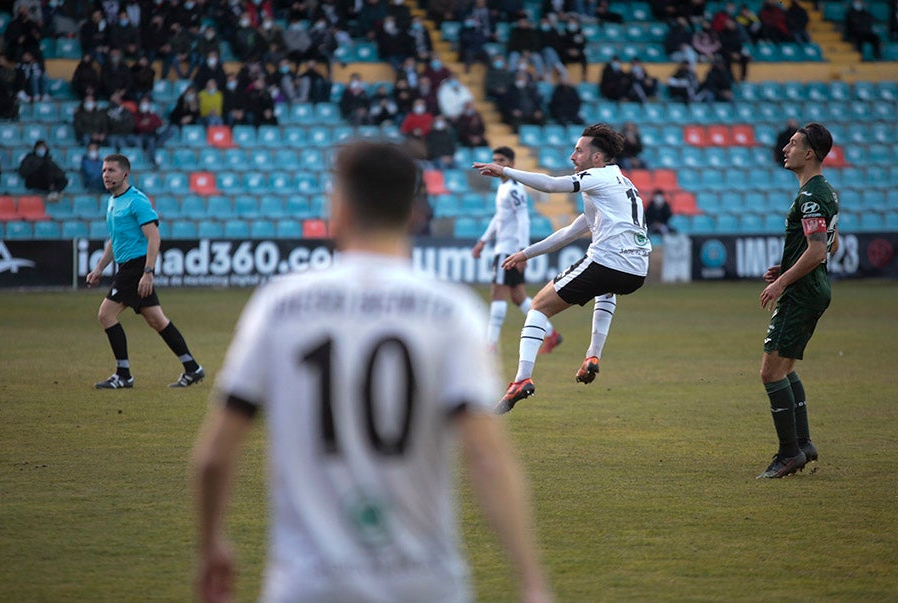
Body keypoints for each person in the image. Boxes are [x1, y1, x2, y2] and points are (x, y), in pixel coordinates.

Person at [191, 141, 552, 603]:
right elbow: (487, 458)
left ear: (337, 209)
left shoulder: (279, 306)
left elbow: (214, 456)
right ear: (415, 215)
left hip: (308, 586)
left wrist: (210, 544)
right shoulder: (450, 311)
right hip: (424, 584)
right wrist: (533, 585)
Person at [473, 123, 650, 413]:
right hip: (637, 271)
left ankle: (521, 380)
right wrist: (526, 253)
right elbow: (570, 232)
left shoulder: (596, 177)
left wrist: (505, 171)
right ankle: (593, 356)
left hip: (609, 260)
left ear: (596, 158)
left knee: (539, 307)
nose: (572, 156)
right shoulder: (622, 184)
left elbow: (552, 185)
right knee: (608, 289)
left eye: (579, 151)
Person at [756, 122, 839, 479]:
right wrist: (788, 265)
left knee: (770, 371)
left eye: (792, 144)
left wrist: (783, 282)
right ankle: (803, 444)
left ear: (809, 154)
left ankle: (788, 453)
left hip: (802, 291)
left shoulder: (809, 198)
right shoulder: (825, 191)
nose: (784, 149)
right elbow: (831, 244)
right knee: (786, 368)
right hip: (814, 286)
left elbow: (819, 250)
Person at [86, 153, 205, 390]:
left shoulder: (137, 201)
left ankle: (123, 375)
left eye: (111, 170)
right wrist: (99, 268)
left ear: (125, 174)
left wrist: (147, 272)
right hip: (128, 266)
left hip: (136, 267)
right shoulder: (112, 202)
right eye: (103, 171)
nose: (106, 175)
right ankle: (192, 368)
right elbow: (115, 240)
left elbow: (154, 237)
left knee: (106, 315)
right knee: (156, 320)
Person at [472, 147, 561, 353]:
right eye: (494, 160)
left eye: (501, 160)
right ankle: (550, 333)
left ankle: (491, 343)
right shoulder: (503, 187)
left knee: (497, 293)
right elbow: (499, 217)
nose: (496, 163)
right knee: (518, 296)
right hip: (504, 247)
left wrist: (523, 252)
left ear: (511, 164)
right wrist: (483, 240)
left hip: (509, 249)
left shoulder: (514, 189)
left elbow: (523, 219)